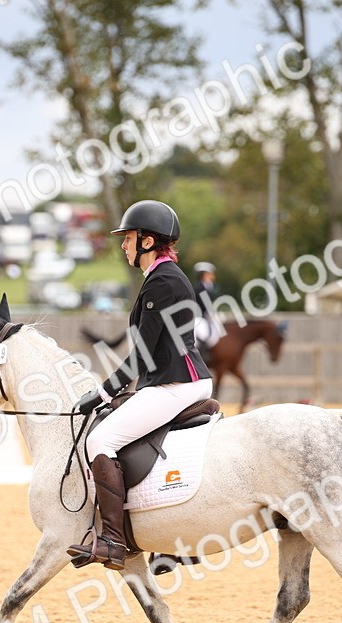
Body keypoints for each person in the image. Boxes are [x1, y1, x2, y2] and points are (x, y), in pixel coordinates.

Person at [68, 200, 213, 570]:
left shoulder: (162, 281)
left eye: (128, 238)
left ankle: (114, 540)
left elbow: (143, 355)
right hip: (177, 380)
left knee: (100, 440)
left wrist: (102, 393)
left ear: (147, 241)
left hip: (175, 384)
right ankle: (167, 533)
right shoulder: (164, 277)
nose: (123, 246)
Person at [191, 262, 225, 359]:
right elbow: (204, 304)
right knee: (203, 333)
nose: (213, 276)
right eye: (211, 274)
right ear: (204, 274)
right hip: (198, 317)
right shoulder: (199, 287)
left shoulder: (209, 286)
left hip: (204, 316)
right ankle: (203, 356)